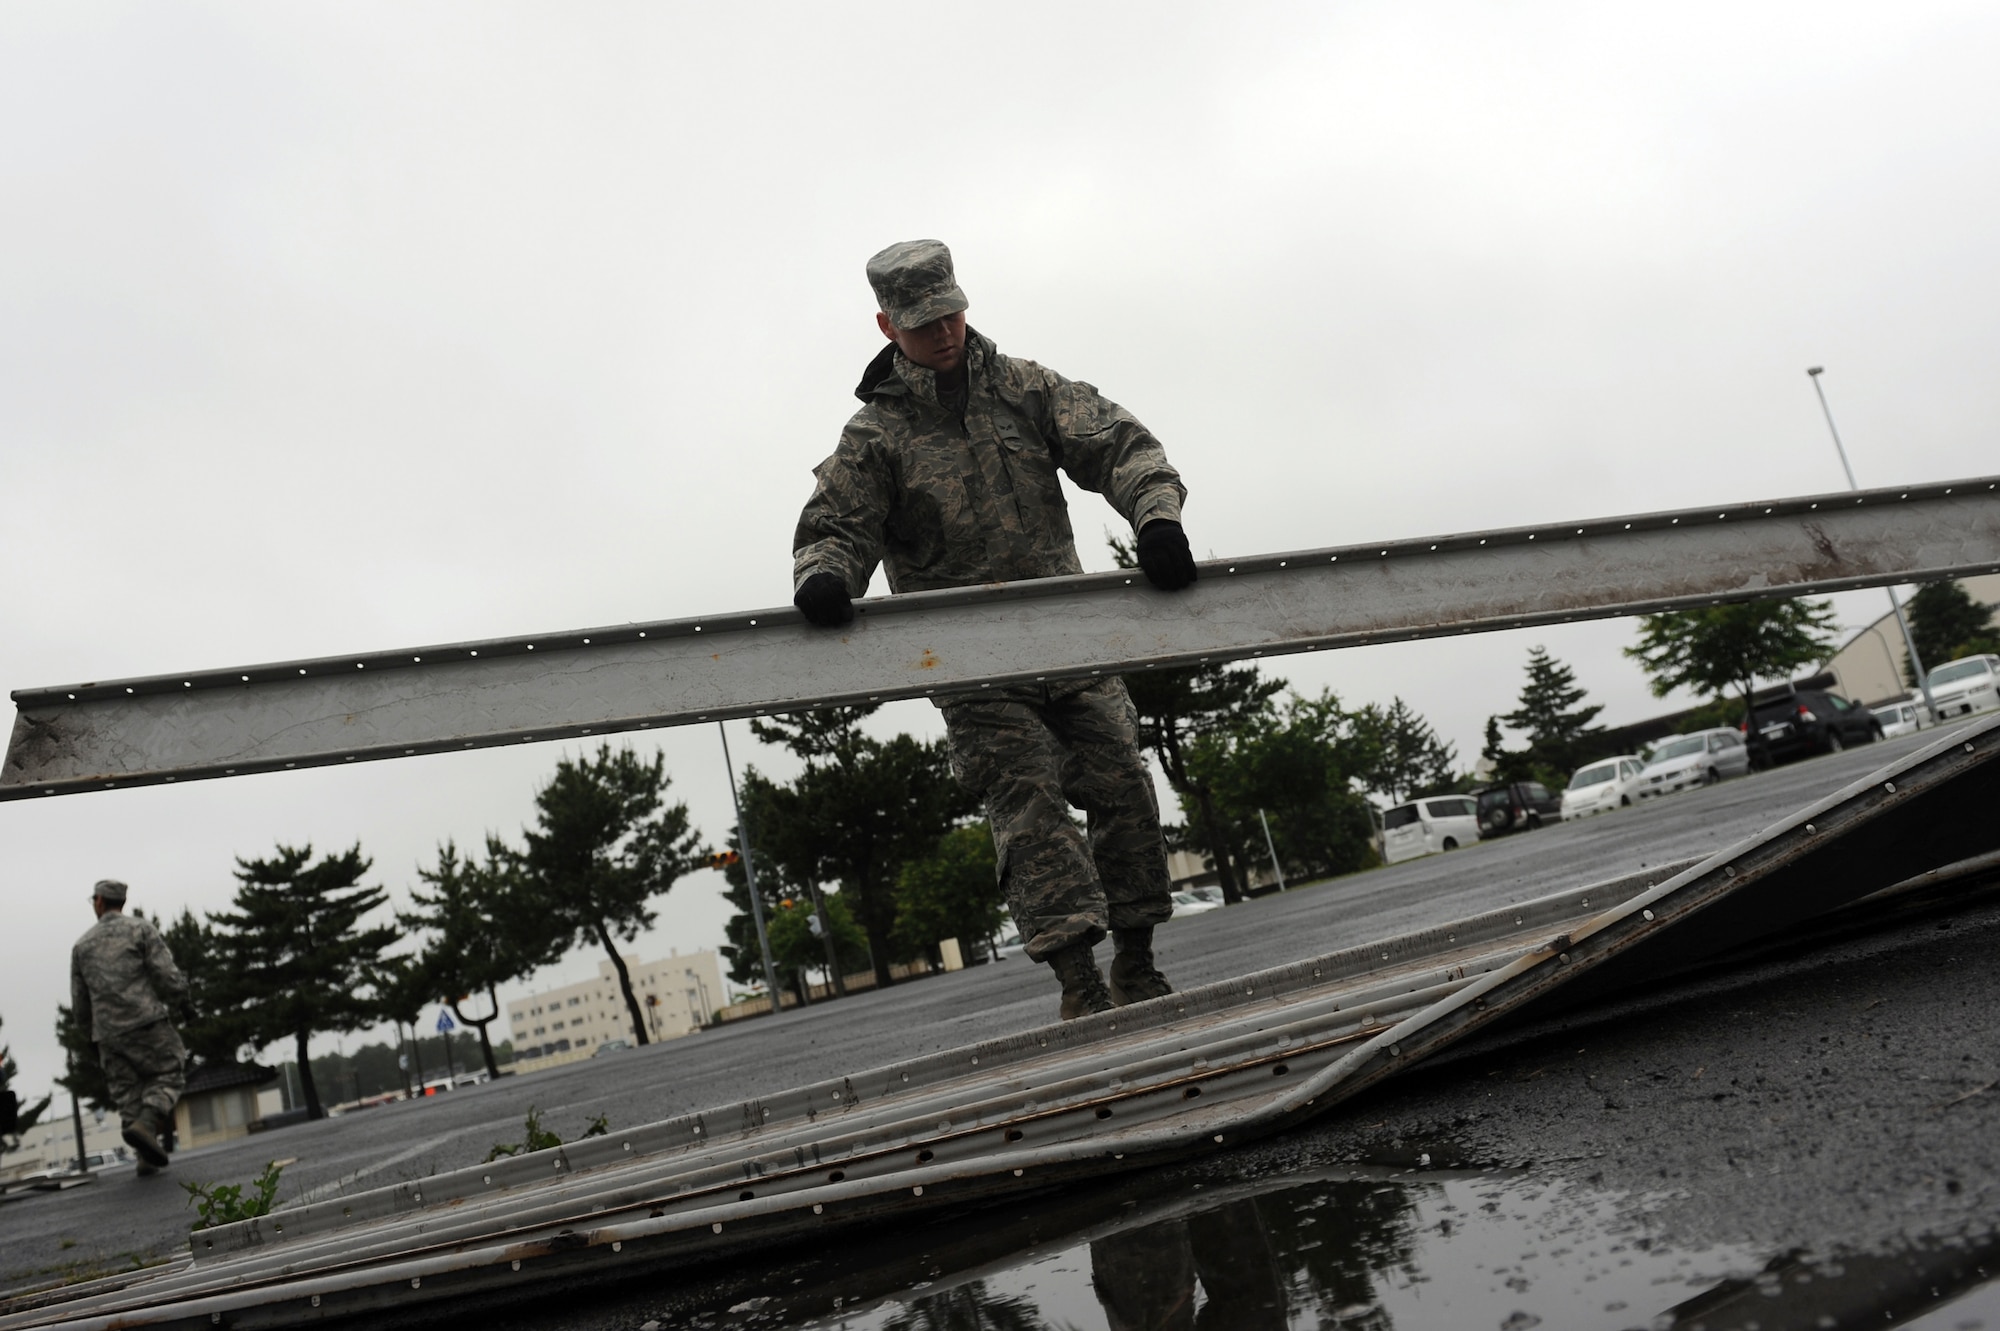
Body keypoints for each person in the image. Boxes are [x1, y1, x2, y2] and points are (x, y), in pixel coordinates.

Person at [791, 239, 1199, 1019]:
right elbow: (837, 523)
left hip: (1068, 637)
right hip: (974, 663)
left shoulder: (1024, 388)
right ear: (887, 326)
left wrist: (1156, 519)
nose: (942, 333)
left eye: (950, 314)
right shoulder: (876, 435)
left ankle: (1138, 964)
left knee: (1122, 780)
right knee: (1030, 808)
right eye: (921, 323)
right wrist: (827, 577)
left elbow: (1120, 445)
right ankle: (1080, 984)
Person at [70, 879, 188, 1175]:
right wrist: (183, 1001)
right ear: (120, 901)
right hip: (145, 1022)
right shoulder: (140, 930)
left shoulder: (82, 945)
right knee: (169, 1072)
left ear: (99, 901)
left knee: (127, 1092)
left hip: (107, 1033)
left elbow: (80, 1000)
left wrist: (88, 1035)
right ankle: (147, 1125)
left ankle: (145, 1156)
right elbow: (165, 973)